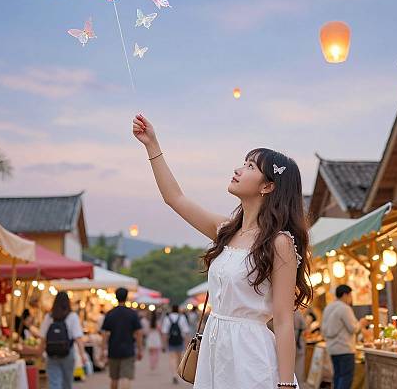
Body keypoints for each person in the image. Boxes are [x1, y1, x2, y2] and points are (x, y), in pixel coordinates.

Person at [132, 114, 311, 389]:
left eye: (250, 166)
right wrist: (152, 145)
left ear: (268, 186)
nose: (239, 169)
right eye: (243, 163)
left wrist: (285, 385)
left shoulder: (280, 243)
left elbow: (285, 321)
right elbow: (174, 198)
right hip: (216, 349)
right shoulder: (226, 229)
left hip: (251, 355)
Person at [321, 285, 369, 389]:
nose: (351, 299)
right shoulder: (345, 308)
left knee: (338, 376)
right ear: (345, 295)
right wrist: (361, 323)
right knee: (346, 378)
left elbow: (323, 328)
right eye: (350, 295)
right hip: (344, 349)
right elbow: (353, 328)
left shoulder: (328, 307)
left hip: (332, 348)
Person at [39, 291, 87, 389]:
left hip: (51, 353)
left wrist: (40, 352)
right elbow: (78, 338)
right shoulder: (72, 316)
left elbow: (43, 337)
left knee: (54, 383)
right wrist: (82, 355)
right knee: (67, 382)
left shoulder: (49, 317)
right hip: (68, 353)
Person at [101, 287, 143, 389]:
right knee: (126, 377)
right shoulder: (132, 314)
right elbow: (138, 333)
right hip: (128, 350)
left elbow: (105, 334)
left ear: (115, 297)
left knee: (114, 378)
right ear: (127, 297)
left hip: (113, 349)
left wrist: (103, 350)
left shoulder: (110, 314)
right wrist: (140, 349)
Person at [162, 305, 190, 385]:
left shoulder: (167, 318)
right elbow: (186, 331)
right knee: (179, 358)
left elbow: (164, 332)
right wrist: (187, 343)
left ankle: (174, 375)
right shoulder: (182, 318)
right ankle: (177, 374)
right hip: (180, 340)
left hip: (171, 341)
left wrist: (164, 344)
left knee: (172, 358)